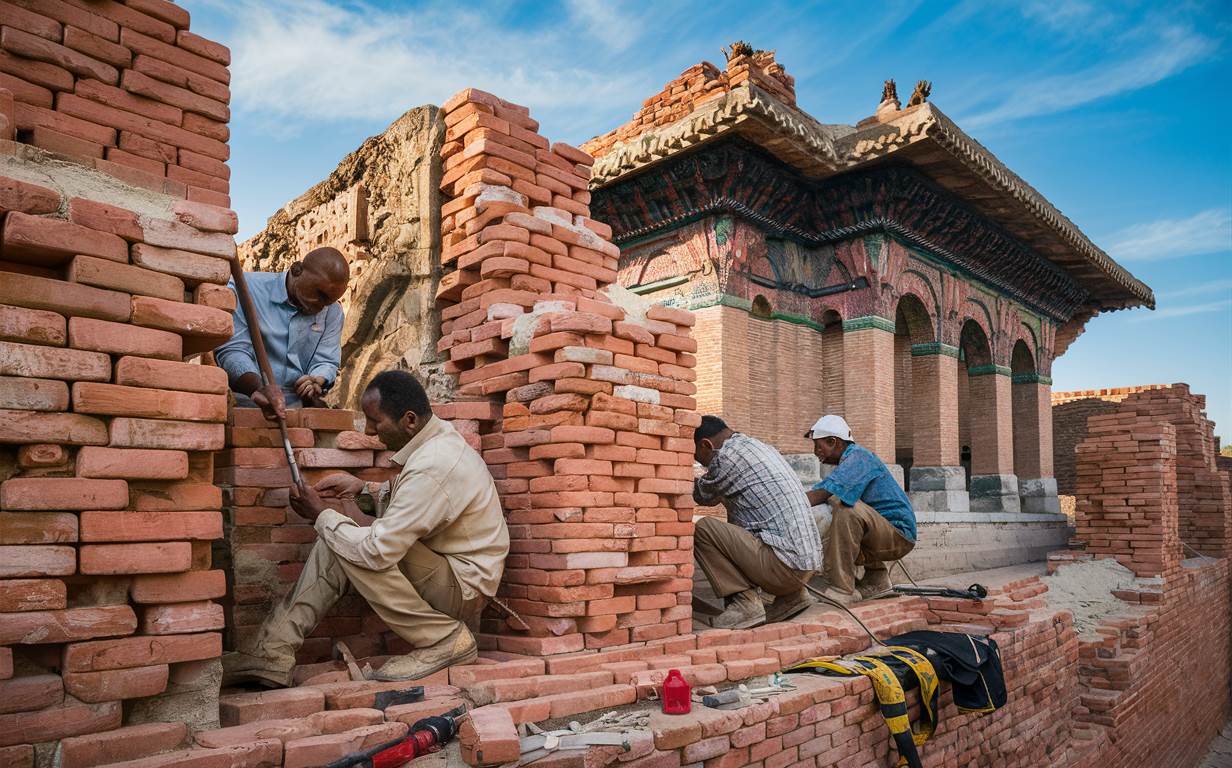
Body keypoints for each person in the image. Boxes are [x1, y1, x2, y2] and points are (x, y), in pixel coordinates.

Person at [222, 370, 510, 686]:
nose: (370, 431)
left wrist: (321, 515)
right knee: (340, 538)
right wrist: (361, 489)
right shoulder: (434, 443)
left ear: (409, 420)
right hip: (447, 573)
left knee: (350, 542)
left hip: (462, 588)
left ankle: (444, 639)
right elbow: (408, 498)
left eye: (376, 421)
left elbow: (377, 552)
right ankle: (272, 653)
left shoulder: (435, 464)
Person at [692, 416, 822, 629]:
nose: (701, 463)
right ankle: (792, 596)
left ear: (706, 445)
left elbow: (702, 496)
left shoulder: (726, 458)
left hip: (784, 567)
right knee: (735, 506)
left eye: (698, 457)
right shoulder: (759, 447)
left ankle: (745, 603)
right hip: (806, 567)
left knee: (704, 528)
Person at [214, 247, 350, 420]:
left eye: (328, 302)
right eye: (319, 294)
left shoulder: (333, 312)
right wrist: (258, 387)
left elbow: (326, 361)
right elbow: (232, 352)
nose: (321, 306)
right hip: (245, 402)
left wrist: (316, 380)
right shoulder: (245, 289)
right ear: (296, 270)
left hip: (298, 413)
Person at [805, 415, 916, 605]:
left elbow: (821, 494)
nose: (816, 452)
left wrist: (786, 504)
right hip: (884, 533)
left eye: (819, 445)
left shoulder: (859, 457)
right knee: (840, 506)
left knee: (847, 509)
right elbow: (821, 491)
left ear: (834, 441)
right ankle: (877, 579)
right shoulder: (849, 462)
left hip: (899, 535)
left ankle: (843, 589)